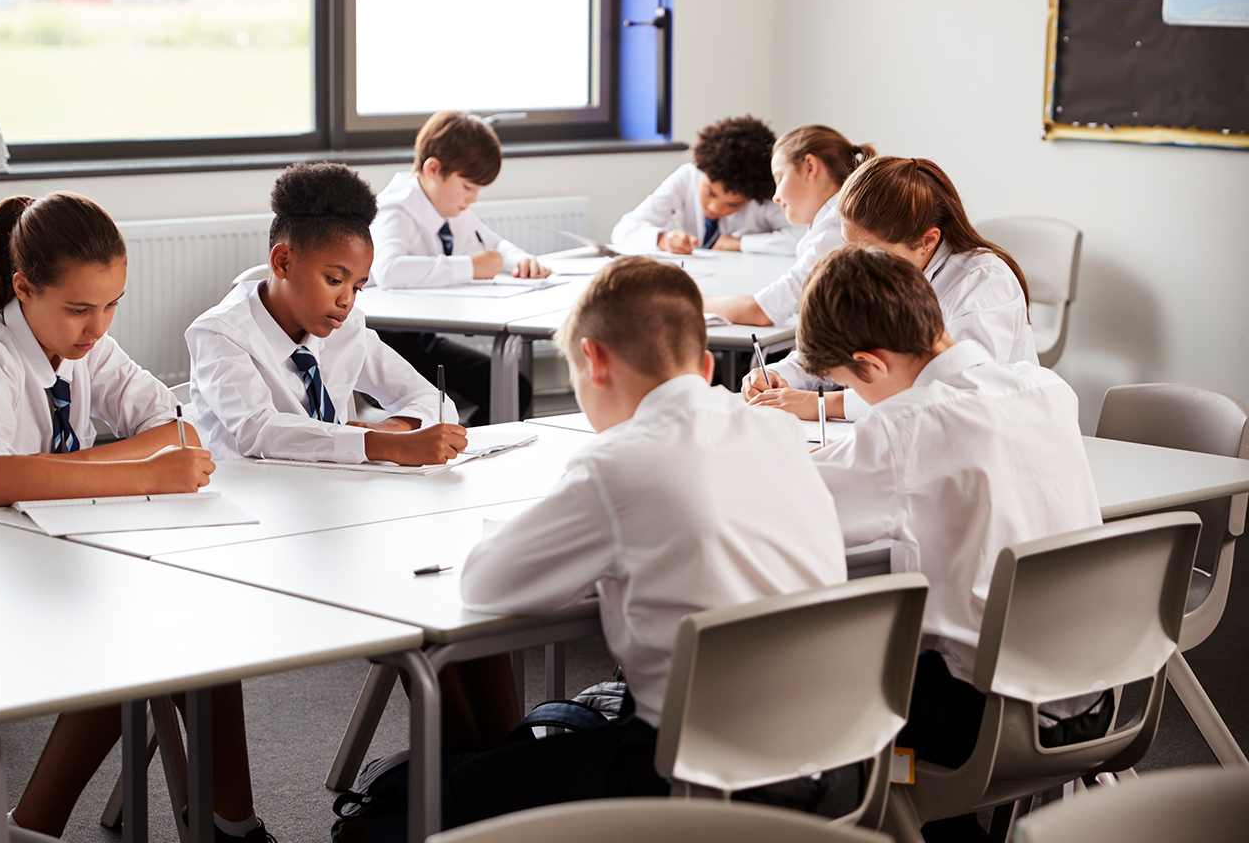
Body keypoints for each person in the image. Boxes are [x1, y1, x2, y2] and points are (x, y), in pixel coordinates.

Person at [0, 192, 270, 842]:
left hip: (31, 543)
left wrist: (86, 465)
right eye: (80, 309)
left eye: (112, 305)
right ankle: (32, 828)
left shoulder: (83, 348)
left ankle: (233, 824)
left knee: (198, 623)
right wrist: (135, 470)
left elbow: (179, 426)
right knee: (127, 636)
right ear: (23, 289)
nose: (98, 328)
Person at [443, 256, 848, 826]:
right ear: (706, 365)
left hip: (689, 770)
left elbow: (485, 584)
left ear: (594, 359)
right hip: (831, 753)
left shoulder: (619, 462)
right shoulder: (779, 432)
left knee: (461, 788)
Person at [798, 246, 1108, 841]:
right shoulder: (1046, 389)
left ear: (869, 363)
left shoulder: (905, 427)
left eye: (844, 385)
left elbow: (787, 515)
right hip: (1091, 693)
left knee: (797, 690)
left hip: (979, 716)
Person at [189, 162, 468, 466]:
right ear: (282, 262)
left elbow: (434, 401)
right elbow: (259, 431)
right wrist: (381, 445)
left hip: (334, 493)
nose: (346, 300)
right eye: (334, 280)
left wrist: (392, 430)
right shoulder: (219, 334)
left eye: (357, 287)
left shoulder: (347, 329)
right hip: (253, 498)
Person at [743, 156, 1037, 422]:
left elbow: (951, 394)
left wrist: (821, 404)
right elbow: (837, 336)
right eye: (849, 244)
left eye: (872, 250)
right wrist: (781, 374)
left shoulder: (983, 281)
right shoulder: (881, 271)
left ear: (927, 241)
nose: (858, 260)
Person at [368, 110, 539, 422]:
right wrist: (469, 267)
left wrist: (520, 260)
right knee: (462, 400)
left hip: (421, 339)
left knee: (516, 387)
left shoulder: (450, 207)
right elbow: (389, 271)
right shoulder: (395, 210)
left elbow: (494, 244)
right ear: (433, 169)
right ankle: (459, 448)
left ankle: (469, 448)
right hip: (382, 348)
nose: (472, 199)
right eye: (468, 187)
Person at [701, 124, 873, 325]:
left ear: (810, 166)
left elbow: (762, 311)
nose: (776, 197)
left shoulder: (838, 232)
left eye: (780, 178)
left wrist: (693, 300)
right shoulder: (831, 223)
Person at [609, 115, 801, 255]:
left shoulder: (764, 195)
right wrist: (662, 239)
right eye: (710, 192)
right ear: (702, 170)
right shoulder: (688, 176)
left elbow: (802, 238)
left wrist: (739, 243)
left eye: (732, 204)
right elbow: (623, 231)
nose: (714, 208)